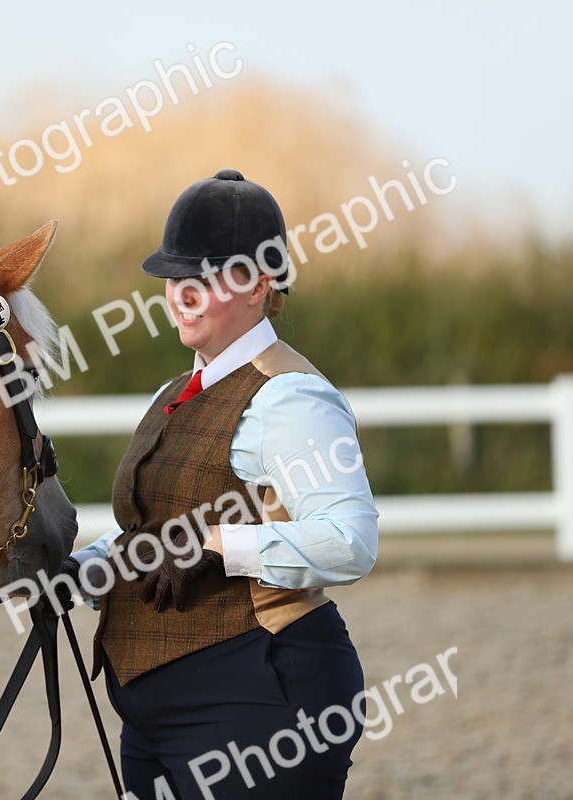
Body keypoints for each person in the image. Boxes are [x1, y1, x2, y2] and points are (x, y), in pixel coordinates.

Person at [62, 169, 378, 799]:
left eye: (204, 277)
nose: (182, 293)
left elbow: (351, 541)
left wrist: (220, 544)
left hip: (261, 699)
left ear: (260, 284)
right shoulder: (173, 393)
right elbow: (149, 534)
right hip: (155, 716)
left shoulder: (291, 397)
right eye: (175, 278)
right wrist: (79, 571)